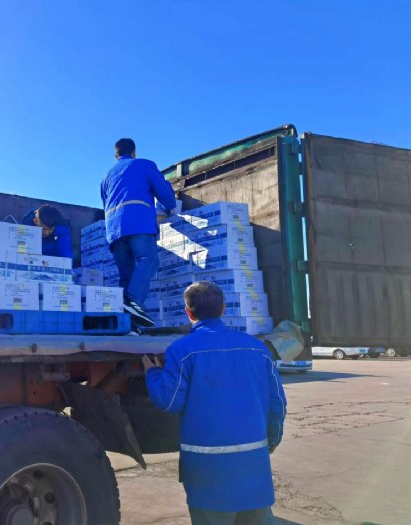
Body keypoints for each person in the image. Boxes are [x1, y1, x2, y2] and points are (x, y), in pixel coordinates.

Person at [142, 281, 287, 525]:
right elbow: (278, 403)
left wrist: (152, 374)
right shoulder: (258, 348)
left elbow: (169, 402)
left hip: (208, 474)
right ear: (223, 308)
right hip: (254, 467)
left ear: (188, 313)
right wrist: (271, 441)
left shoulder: (182, 350)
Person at [101, 138, 177, 331]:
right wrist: (171, 205)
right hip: (138, 222)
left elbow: (105, 202)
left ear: (116, 156)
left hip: (114, 229)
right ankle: (133, 302)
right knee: (149, 260)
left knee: (127, 276)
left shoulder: (106, 177)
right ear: (134, 152)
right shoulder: (143, 165)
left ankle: (129, 327)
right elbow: (166, 196)